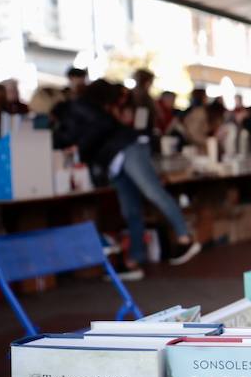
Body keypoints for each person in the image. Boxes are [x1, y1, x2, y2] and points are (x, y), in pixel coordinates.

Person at [53, 79, 201, 279]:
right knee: (131, 209)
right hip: (115, 159)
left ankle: (185, 237)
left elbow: (98, 128)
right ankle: (134, 259)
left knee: (153, 192)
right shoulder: (84, 109)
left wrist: (81, 148)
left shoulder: (76, 108)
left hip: (125, 150)